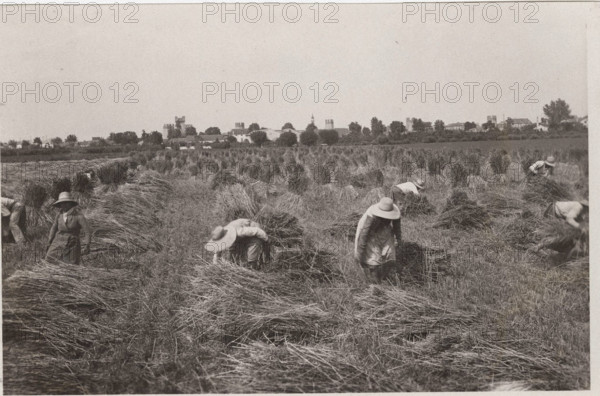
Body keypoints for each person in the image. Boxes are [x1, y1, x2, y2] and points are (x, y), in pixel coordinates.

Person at [354, 197, 401, 284]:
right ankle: (375, 283)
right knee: (373, 259)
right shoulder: (371, 216)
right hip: (371, 233)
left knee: (390, 255)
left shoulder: (395, 211)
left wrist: (399, 241)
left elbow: (397, 228)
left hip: (386, 231)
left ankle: (384, 277)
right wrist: (359, 254)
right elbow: (364, 235)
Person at [45, 192, 92, 264]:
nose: (64, 205)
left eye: (66, 203)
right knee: (49, 259)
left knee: (70, 265)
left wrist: (87, 245)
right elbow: (53, 228)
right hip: (58, 240)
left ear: (70, 203)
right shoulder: (59, 215)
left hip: (72, 242)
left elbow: (87, 231)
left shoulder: (78, 216)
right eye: (62, 203)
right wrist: (49, 241)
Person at [205, 218, 270, 269]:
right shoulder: (220, 235)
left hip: (253, 231)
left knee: (254, 244)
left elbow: (257, 231)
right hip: (242, 233)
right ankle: (237, 265)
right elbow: (217, 253)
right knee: (232, 251)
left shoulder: (239, 231)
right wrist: (215, 266)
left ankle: (252, 268)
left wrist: (267, 241)